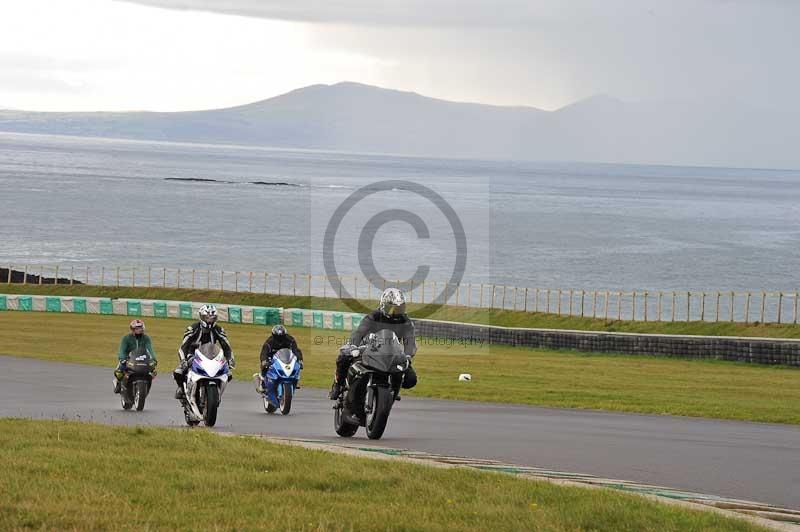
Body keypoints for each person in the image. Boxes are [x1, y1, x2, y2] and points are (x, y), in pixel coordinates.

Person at [328, 287, 417, 400]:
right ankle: (338, 385)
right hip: (369, 347)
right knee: (344, 357)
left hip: (392, 353)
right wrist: (354, 346)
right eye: (392, 308)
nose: (396, 312)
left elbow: (410, 341)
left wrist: (408, 355)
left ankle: (393, 389)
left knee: (411, 379)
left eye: (399, 308)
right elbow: (360, 331)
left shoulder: (406, 322)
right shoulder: (374, 316)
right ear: (384, 306)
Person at [173, 304, 235, 400]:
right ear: (201, 317)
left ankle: (216, 394)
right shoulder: (193, 328)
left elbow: (227, 347)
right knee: (178, 372)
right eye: (207, 317)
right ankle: (181, 388)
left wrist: (230, 360)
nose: (210, 320)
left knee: (228, 374)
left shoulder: (219, 330)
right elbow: (183, 347)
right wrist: (183, 360)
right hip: (192, 355)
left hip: (211, 356)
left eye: (212, 318)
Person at [256, 324, 303, 393]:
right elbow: (264, 352)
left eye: (281, 337)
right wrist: (264, 360)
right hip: (272, 357)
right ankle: (262, 381)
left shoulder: (290, 340)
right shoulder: (270, 341)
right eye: (277, 337)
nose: (280, 339)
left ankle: (295, 379)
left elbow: (296, 350)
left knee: (297, 365)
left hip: (286, 357)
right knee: (265, 365)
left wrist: (300, 359)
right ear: (274, 335)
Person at [114, 319, 156, 393]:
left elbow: (150, 349)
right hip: (129, 359)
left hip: (143, 359)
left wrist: (154, 359)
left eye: (141, 327)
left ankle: (146, 385)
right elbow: (122, 350)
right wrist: (122, 358)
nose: (140, 330)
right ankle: (119, 383)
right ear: (133, 329)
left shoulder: (146, 338)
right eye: (138, 328)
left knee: (153, 371)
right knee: (118, 372)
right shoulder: (126, 338)